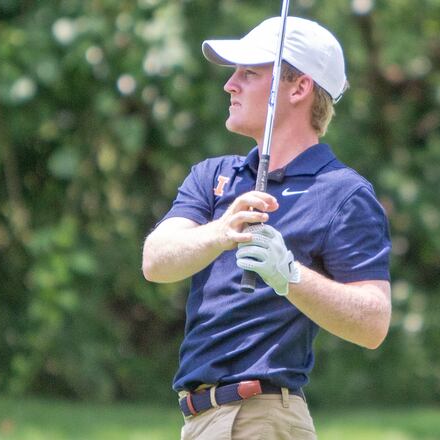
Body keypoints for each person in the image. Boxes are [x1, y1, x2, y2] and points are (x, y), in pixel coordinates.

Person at [142, 16, 392, 440]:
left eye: (250, 73)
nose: (230, 85)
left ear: (298, 88)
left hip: (260, 417)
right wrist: (221, 232)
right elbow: (156, 261)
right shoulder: (214, 176)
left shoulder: (343, 193)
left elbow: (373, 322)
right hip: (199, 421)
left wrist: (289, 275)